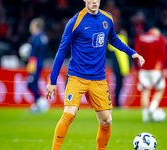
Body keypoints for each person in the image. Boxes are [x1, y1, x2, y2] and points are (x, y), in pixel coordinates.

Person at [46, 0, 145, 149]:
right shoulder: (75, 22)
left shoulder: (108, 18)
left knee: (106, 120)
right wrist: (52, 81)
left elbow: (113, 39)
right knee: (69, 114)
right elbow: (62, 51)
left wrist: (132, 53)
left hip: (98, 79)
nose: (94, 1)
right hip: (76, 77)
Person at [134, 27, 167, 123]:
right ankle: (152, 109)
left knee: (145, 91)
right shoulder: (160, 38)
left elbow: (136, 54)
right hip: (156, 70)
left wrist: (137, 68)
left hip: (143, 69)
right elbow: (164, 54)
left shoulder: (140, 38)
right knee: (160, 89)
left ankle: (145, 117)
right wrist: (165, 67)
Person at [26, 18, 50, 113]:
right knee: (34, 83)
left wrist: (31, 64)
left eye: (32, 25)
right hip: (40, 62)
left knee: (30, 84)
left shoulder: (35, 37)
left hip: (34, 63)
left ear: (36, 26)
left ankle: (42, 102)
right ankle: (36, 105)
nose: (30, 27)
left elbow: (34, 53)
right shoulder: (43, 37)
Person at [107, 28, 130, 107]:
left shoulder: (114, 41)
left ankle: (117, 102)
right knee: (119, 85)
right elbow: (122, 58)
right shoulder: (121, 40)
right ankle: (117, 103)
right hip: (120, 68)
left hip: (117, 68)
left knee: (118, 85)